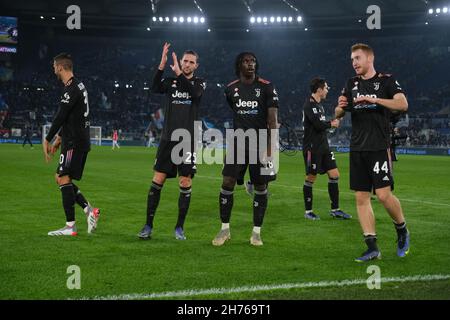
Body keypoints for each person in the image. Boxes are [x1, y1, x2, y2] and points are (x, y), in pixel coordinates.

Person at [335, 43, 410, 262]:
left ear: (370, 59)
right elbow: (339, 113)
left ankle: (402, 229)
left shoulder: (386, 80)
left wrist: (374, 99)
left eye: (357, 58)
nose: (354, 63)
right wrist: (340, 107)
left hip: (379, 146)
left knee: (384, 196)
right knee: (360, 198)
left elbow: (402, 104)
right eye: (351, 59)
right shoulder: (351, 83)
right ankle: (372, 246)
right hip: (358, 148)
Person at [138, 42, 205, 240]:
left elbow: (194, 94)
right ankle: (148, 226)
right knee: (157, 180)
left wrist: (179, 75)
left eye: (191, 62)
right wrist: (162, 64)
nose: (187, 64)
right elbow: (154, 87)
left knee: (185, 182)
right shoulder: (171, 82)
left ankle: (179, 228)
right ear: (181, 62)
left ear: (196, 66)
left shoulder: (200, 83)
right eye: (185, 61)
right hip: (168, 139)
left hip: (188, 141)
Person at [212, 52, 278, 247]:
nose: (250, 64)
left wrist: (270, 149)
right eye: (246, 61)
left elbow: (273, 121)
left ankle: (256, 233)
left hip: (260, 143)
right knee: (227, 182)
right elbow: (235, 111)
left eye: (253, 61)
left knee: (260, 187)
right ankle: (224, 229)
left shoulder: (267, 87)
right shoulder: (230, 89)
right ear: (239, 65)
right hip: (238, 142)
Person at [43, 53, 100, 236]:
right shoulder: (78, 86)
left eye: (54, 66)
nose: (53, 69)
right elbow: (72, 117)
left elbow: (61, 116)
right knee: (60, 178)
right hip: (74, 139)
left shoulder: (71, 89)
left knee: (63, 177)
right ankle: (88, 210)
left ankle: (70, 226)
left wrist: (47, 138)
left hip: (75, 142)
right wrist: (59, 139)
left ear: (60, 67)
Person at [302, 77, 351, 220]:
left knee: (335, 175)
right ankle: (308, 211)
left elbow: (321, 127)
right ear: (319, 89)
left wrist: (331, 124)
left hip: (324, 147)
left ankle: (335, 209)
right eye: (326, 87)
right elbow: (318, 125)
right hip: (313, 148)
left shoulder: (320, 106)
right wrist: (331, 124)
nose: (328, 90)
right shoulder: (309, 105)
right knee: (311, 177)